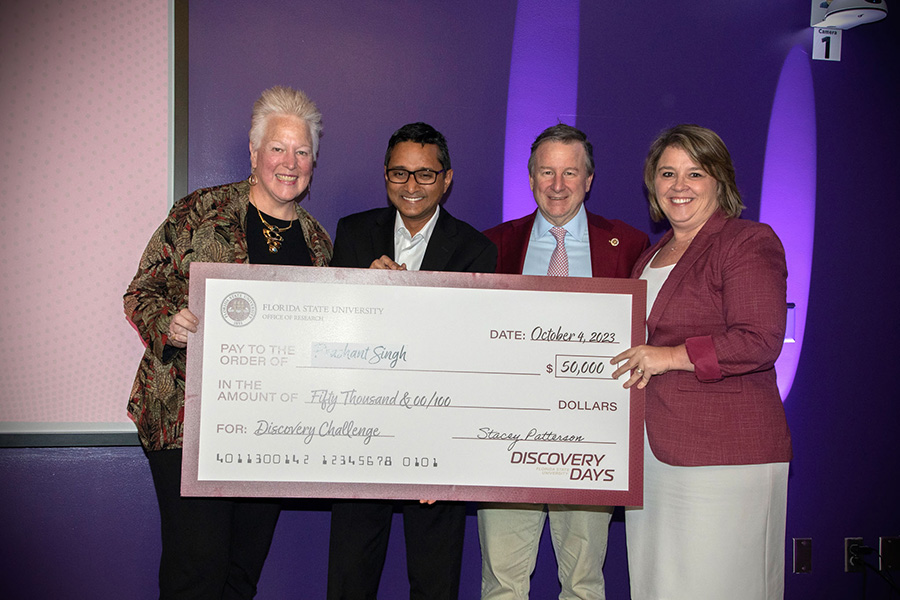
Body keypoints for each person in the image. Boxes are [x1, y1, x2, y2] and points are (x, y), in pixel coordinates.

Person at [124, 85, 332, 599]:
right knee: (197, 570)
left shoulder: (320, 244)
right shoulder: (201, 211)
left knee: (241, 574)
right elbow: (141, 290)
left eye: (302, 151)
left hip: (271, 432)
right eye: (279, 148)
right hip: (187, 422)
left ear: (313, 162)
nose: (290, 162)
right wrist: (168, 322)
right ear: (254, 151)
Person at [611, 124, 792, 599]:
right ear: (653, 184)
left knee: (720, 584)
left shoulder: (747, 241)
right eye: (667, 173)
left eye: (695, 173)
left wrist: (670, 356)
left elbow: (759, 339)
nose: (679, 186)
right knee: (660, 583)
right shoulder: (650, 256)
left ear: (720, 180)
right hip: (651, 452)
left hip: (724, 454)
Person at [326, 122, 497, 600]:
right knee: (349, 577)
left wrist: (447, 453)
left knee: (434, 578)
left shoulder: (475, 248)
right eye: (399, 174)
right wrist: (364, 288)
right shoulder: (354, 234)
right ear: (385, 177)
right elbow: (333, 332)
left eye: (425, 174)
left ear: (447, 179)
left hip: (436, 441)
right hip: (359, 433)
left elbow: (473, 356)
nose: (412, 186)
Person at [479, 124, 649, 600]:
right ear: (530, 178)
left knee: (583, 584)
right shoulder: (491, 245)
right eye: (546, 171)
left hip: (591, 438)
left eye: (570, 172)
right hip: (508, 437)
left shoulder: (629, 245)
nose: (557, 184)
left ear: (589, 179)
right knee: (502, 583)